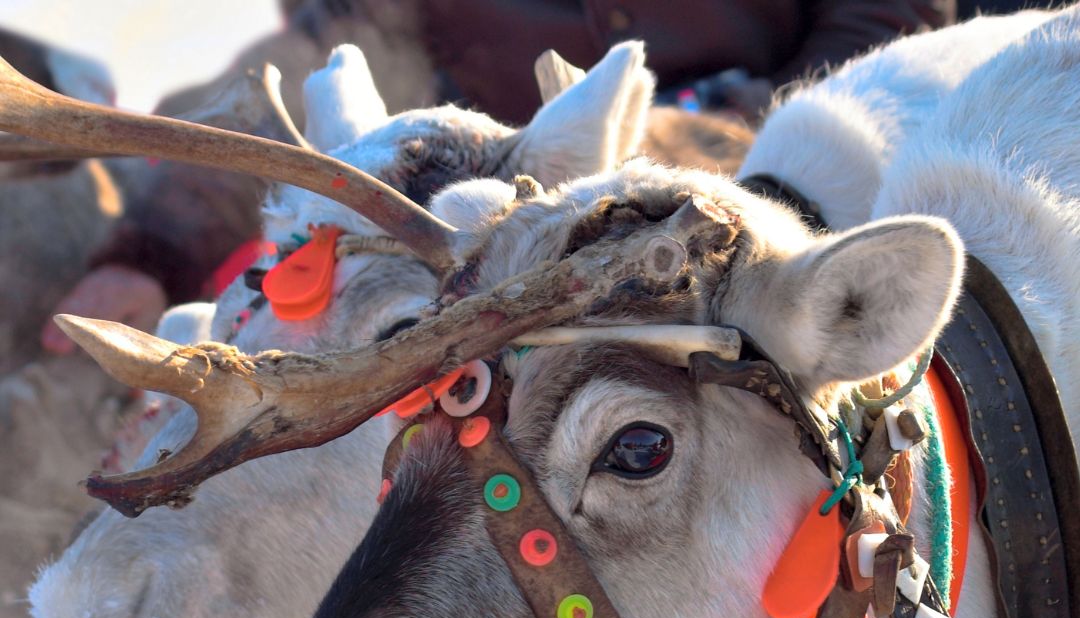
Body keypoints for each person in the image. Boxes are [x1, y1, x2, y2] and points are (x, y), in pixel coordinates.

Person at [40, 0, 954, 354]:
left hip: (751, 155)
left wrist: (719, 130)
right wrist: (150, 253)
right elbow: (322, 47)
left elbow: (887, 21)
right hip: (469, 178)